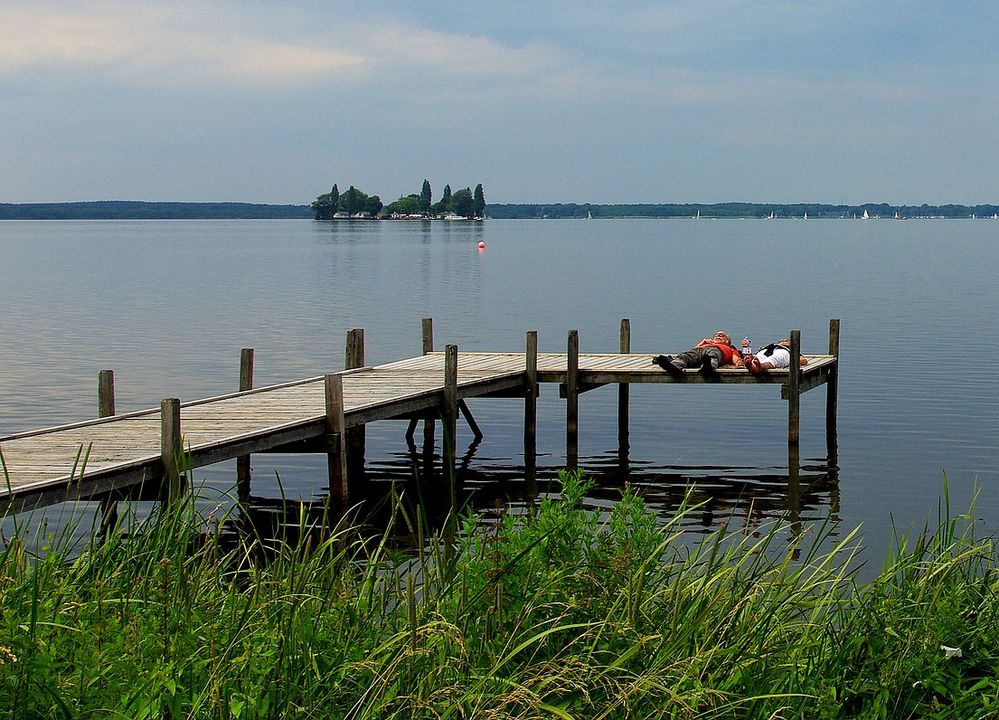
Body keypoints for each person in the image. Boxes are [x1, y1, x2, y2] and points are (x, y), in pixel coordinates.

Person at [652, 331, 744, 378]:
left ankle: (708, 368)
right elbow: (693, 351)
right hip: (700, 351)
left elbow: (735, 359)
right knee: (685, 356)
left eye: (721, 335)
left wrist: (739, 364)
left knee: (712, 356)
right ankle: (674, 367)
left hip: (716, 351)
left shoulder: (729, 348)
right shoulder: (705, 343)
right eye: (716, 335)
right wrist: (701, 343)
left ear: (727, 341)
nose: (718, 336)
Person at [744, 338, 809, 374]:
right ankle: (752, 366)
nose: (783, 341)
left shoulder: (790, 349)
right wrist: (746, 348)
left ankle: (760, 366)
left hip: (783, 352)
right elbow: (752, 356)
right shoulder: (770, 346)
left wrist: (792, 360)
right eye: (781, 340)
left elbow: (804, 360)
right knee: (757, 358)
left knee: (773, 359)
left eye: (786, 340)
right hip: (767, 351)